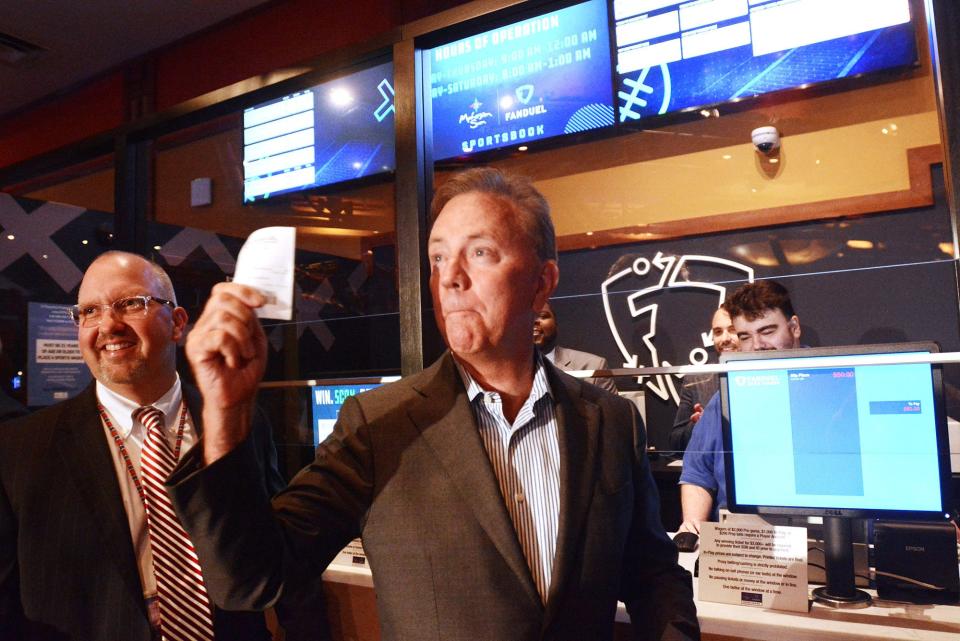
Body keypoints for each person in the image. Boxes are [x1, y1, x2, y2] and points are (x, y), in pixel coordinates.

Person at [169, 168, 700, 640]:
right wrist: (224, 413)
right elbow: (252, 577)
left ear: (542, 283)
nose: (449, 276)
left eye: (480, 252)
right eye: (439, 257)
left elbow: (651, 571)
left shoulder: (607, 420)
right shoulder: (379, 424)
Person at [0, 251, 285, 641]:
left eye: (130, 304)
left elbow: (272, 548)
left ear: (178, 323)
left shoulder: (242, 423)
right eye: (90, 311)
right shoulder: (18, 449)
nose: (109, 325)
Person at [678, 280, 801, 534]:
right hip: (738, 544)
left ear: (794, 328)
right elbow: (697, 473)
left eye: (767, 331)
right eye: (745, 336)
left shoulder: (834, 383)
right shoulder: (724, 398)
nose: (756, 346)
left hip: (819, 541)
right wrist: (692, 526)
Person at [668, 306, 739, 452]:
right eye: (718, 332)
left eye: (732, 329)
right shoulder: (696, 380)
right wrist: (697, 425)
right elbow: (676, 443)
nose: (725, 339)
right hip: (712, 471)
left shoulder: (767, 376)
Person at [534, 301, 617, 393]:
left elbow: (612, 407)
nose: (534, 321)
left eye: (542, 316)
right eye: (525, 317)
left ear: (556, 324)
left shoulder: (594, 366)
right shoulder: (514, 376)